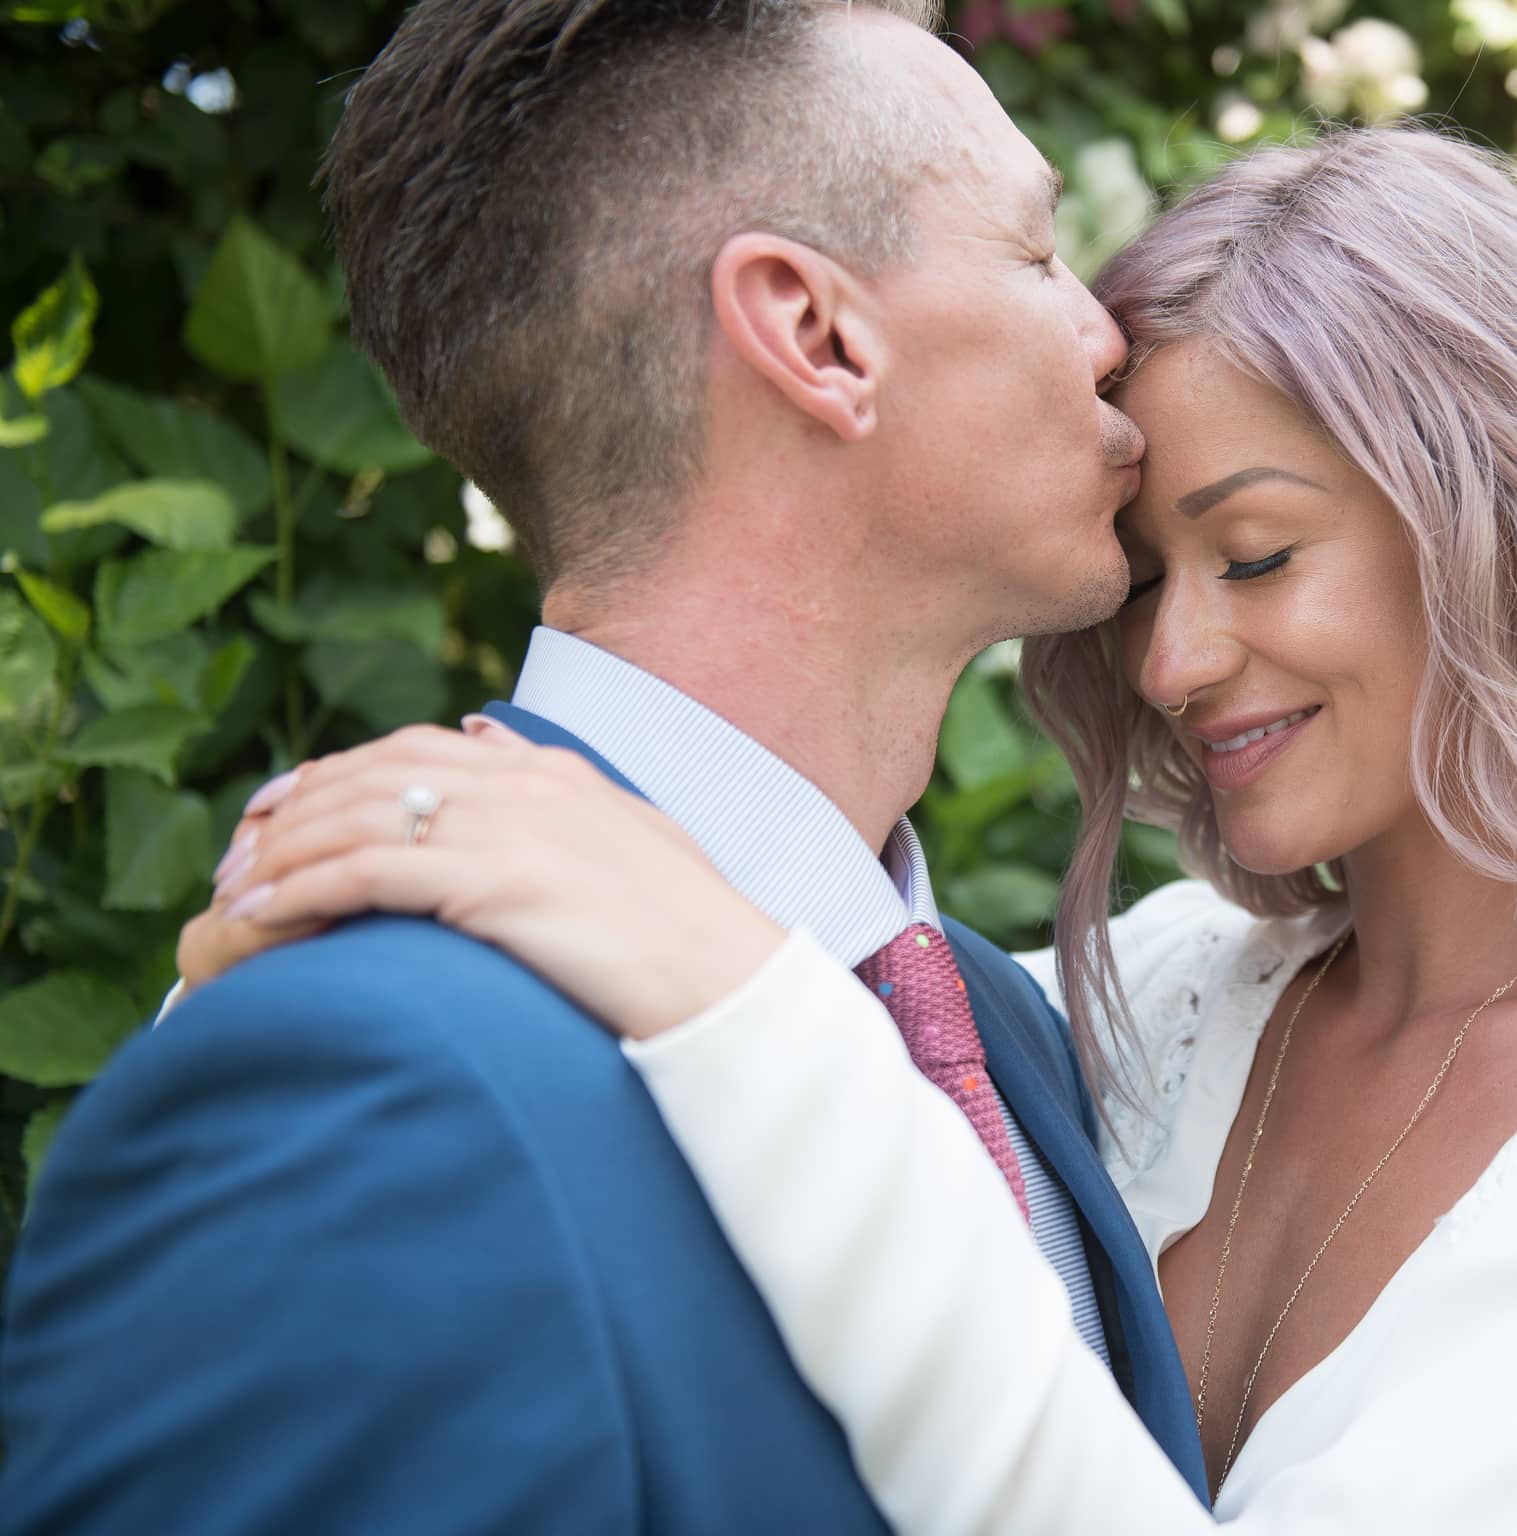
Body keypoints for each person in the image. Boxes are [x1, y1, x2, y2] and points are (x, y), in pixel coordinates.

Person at [172, 128, 1517, 1534]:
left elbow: (766, 1047)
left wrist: (728, 983)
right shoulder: (1158, 1001)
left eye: (1254, 554)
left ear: (1503, 525)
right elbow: (682, 1083)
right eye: (1150, 578)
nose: (1170, 660)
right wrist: (315, 947)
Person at [0, 3, 1206, 1530]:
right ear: (818, 335)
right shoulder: (358, 1075)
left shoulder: (1002, 1035)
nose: (1108, 335)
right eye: (1037, 258)